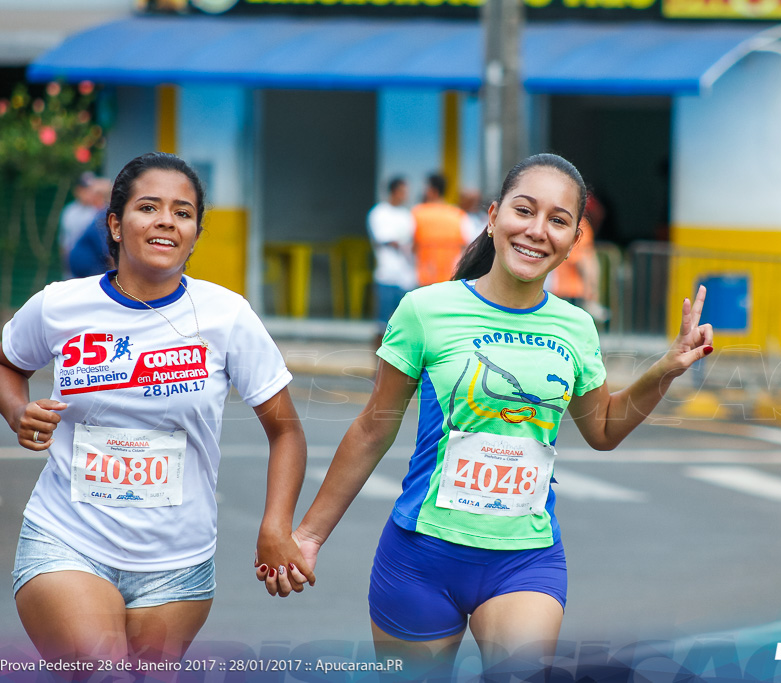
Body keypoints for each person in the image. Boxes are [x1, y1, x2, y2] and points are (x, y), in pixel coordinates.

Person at [269, 154, 713, 679]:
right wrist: (310, 537)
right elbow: (373, 428)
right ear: (495, 215)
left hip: (524, 559)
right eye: (524, 211)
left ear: (574, 240)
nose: (536, 231)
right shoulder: (424, 310)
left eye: (558, 220)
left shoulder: (575, 327)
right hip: (419, 557)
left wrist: (663, 370)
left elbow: (605, 430)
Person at [0, 152, 312, 667]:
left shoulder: (227, 316)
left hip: (178, 564)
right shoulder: (59, 305)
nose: (166, 220)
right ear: (115, 225)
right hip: (68, 538)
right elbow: (5, 364)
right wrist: (16, 412)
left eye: (183, 213)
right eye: (149, 207)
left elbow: (286, 432)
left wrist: (276, 525)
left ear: (196, 233)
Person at [367, 176, 417, 339]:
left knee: (403, 325)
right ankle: (377, 363)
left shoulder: (406, 215)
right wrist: (404, 245)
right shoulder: (379, 213)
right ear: (394, 191)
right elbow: (387, 239)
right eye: (403, 191)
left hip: (406, 276)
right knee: (382, 325)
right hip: (387, 275)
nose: (406, 195)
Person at [411, 172, 468, 286]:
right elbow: (465, 248)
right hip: (451, 279)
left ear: (432, 190)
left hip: (424, 279)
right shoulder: (458, 214)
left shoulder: (417, 213)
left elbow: (410, 247)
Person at [59, 172, 105, 277]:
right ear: (77, 190)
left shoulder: (99, 211)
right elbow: (65, 244)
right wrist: (67, 269)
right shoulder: (69, 212)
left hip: (97, 269)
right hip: (75, 271)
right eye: (84, 189)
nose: (87, 193)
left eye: (90, 189)